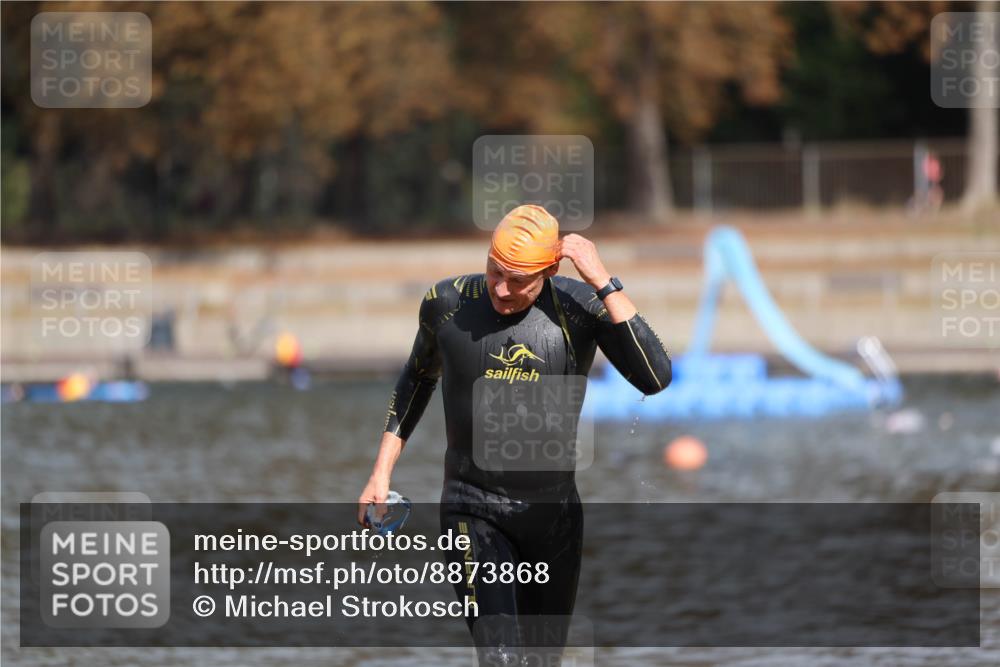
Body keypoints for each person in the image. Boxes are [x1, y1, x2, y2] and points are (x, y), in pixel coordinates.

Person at [357, 204, 672, 663]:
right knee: (501, 659)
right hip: (472, 507)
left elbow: (654, 377)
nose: (502, 289)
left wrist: (602, 280)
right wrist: (380, 474)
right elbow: (416, 380)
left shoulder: (579, 308)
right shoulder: (448, 303)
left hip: (555, 518)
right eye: (494, 272)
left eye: (518, 280)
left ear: (548, 270)